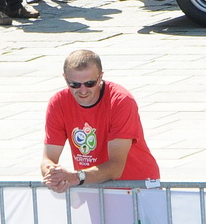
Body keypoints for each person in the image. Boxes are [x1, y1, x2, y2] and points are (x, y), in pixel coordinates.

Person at [41, 49, 161, 190]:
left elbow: (116, 167)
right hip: (91, 185)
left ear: (100, 77)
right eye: (74, 84)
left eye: (90, 83)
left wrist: (75, 177)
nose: (83, 90)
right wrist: (53, 176)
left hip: (136, 187)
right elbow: (48, 158)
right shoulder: (58, 102)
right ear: (65, 78)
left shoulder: (121, 101)